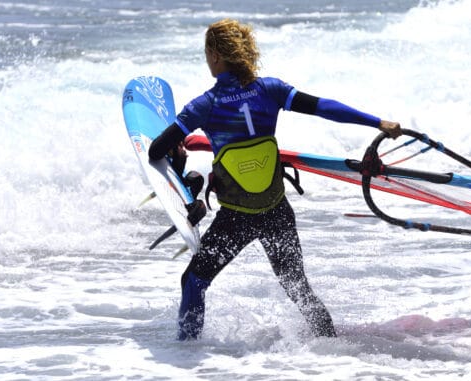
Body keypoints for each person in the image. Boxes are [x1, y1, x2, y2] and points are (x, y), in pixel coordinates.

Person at [149, 18, 402, 341]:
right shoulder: (271, 90)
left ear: (214, 55)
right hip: (275, 211)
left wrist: (178, 154)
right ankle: (332, 348)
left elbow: (155, 150)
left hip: (235, 218)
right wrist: (377, 122)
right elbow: (323, 107)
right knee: (298, 288)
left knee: (195, 281)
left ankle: (186, 349)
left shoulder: (205, 106)